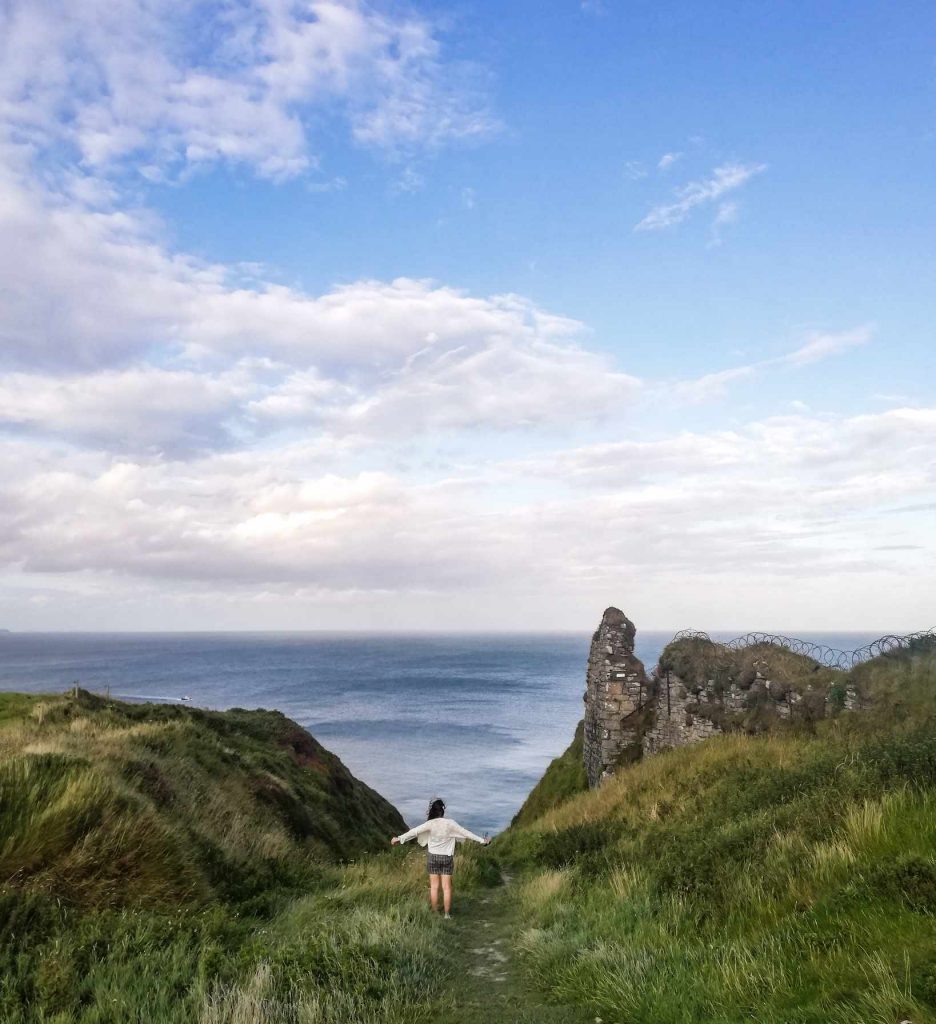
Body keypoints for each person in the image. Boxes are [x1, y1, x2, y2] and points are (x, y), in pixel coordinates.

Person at [390, 796, 489, 919]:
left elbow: (414, 832)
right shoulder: (450, 823)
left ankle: (435, 913)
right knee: (447, 888)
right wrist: (482, 840)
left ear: (433, 811)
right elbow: (466, 833)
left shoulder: (430, 824)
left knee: (434, 887)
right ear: (443, 811)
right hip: (447, 858)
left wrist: (398, 839)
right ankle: (447, 915)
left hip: (433, 857)